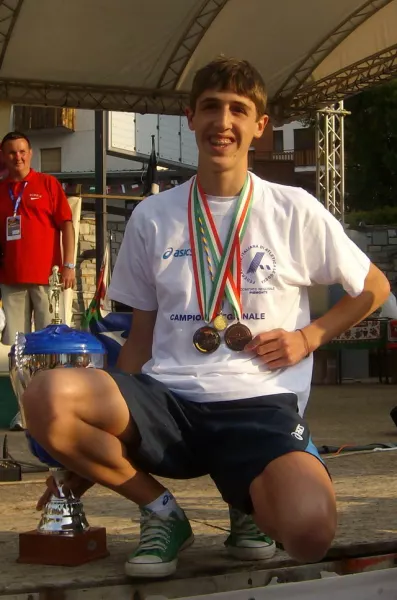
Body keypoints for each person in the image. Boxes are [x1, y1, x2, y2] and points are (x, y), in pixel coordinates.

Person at [22, 58, 389, 579]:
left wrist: (310, 336)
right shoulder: (154, 215)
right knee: (45, 396)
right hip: (168, 402)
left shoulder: (293, 208)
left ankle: (250, 508)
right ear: (190, 118)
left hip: (259, 404)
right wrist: (91, 448)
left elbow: (374, 287)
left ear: (259, 126)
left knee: (308, 534)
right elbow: (141, 337)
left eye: (239, 110)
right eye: (212, 107)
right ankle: (162, 512)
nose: (224, 121)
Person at [0, 131, 75, 429]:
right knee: (18, 351)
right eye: (10, 153)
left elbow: (67, 226)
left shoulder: (48, 184)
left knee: (47, 346)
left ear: (30, 153)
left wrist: (69, 264)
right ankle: (24, 409)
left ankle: (48, 407)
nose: (17, 157)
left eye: (21, 151)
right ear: (3, 156)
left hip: (47, 278)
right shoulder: (1, 190)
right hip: (11, 280)